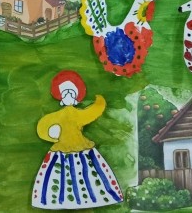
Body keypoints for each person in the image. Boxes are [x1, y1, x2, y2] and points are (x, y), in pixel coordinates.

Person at [31, 70, 123, 210]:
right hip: (61, 150)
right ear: (61, 97)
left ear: (76, 96)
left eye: (71, 93)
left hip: (81, 147)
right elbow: (43, 127)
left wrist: (100, 102)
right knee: (60, 174)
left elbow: (91, 113)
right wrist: (51, 132)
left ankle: (91, 198)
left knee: (87, 172)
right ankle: (57, 200)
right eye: (65, 94)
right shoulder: (58, 116)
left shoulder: (77, 114)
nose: (68, 96)